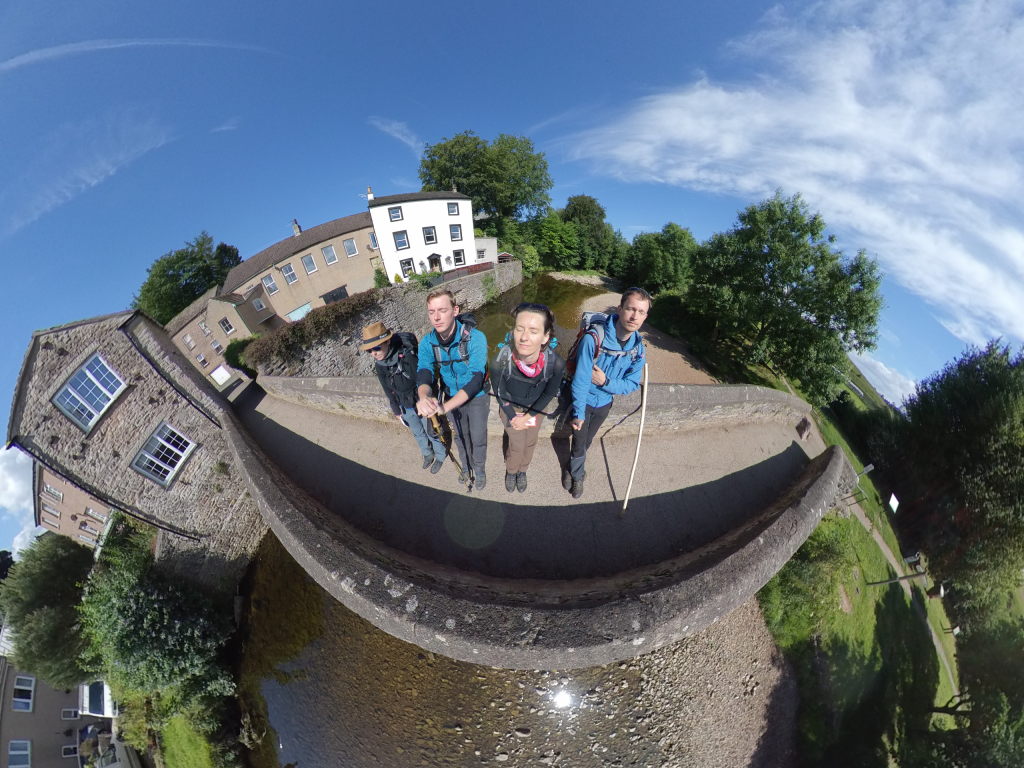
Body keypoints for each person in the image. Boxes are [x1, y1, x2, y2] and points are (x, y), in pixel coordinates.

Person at [565, 287, 651, 499]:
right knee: (578, 441)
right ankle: (576, 474)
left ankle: (574, 465)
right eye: (631, 309)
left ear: (645, 317)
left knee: (587, 440)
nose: (634, 316)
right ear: (620, 308)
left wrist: (606, 382)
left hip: (604, 404)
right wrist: (578, 412)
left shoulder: (638, 349)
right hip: (583, 401)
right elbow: (581, 378)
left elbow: (631, 384)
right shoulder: (593, 339)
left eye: (641, 312)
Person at [415, 289, 490, 489]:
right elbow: (424, 371)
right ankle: (466, 467)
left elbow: (476, 379)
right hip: (451, 395)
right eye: (431, 312)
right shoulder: (427, 343)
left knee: (478, 436)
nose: (436, 317)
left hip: (477, 397)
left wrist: (444, 408)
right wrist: (423, 396)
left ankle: (479, 469)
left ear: (455, 310)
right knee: (460, 436)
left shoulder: (476, 338)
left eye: (442, 310)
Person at [491, 303, 565, 493]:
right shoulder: (501, 359)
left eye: (533, 331)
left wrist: (528, 416)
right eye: (519, 329)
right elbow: (500, 392)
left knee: (530, 441)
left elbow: (548, 393)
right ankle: (512, 470)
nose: (524, 337)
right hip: (510, 410)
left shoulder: (555, 364)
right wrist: (513, 415)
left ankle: (522, 471)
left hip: (535, 410)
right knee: (517, 444)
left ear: (545, 336)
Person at [361, 321, 447, 473]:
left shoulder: (407, 356)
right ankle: (427, 453)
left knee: (430, 430)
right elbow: (387, 387)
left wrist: (428, 401)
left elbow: (423, 379)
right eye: (369, 351)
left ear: (387, 341)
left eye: (376, 348)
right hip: (404, 405)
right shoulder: (379, 364)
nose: (373, 353)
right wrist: (396, 409)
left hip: (419, 401)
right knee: (417, 432)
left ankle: (440, 454)